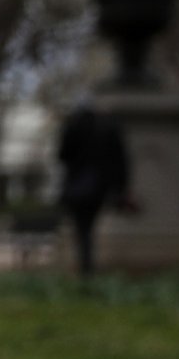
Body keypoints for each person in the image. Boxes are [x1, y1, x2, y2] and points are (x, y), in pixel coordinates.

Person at [58, 97, 130, 277]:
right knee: (88, 227)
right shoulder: (107, 127)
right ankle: (87, 265)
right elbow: (120, 160)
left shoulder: (74, 126)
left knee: (82, 228)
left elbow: (62, 155)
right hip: (99, 187)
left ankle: (86, 265)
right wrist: (120, 187)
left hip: (77, 185)